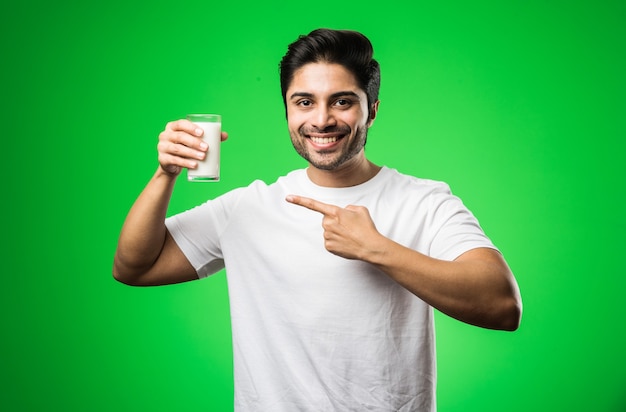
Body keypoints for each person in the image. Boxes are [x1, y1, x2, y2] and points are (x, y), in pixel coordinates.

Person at [113, 28, 522, 411]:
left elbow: (502, 305)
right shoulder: (248, 208)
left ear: (372, 110)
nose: (322, 119)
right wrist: (164, 173)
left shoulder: (425, 201)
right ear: (288, 110)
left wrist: (377, 249)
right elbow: (136, 266)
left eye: (342, 101)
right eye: (304, 102)